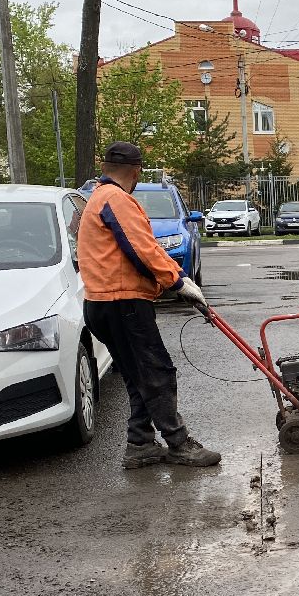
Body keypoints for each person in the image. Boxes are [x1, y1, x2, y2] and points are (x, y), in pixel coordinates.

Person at [78, 141, 221, 469]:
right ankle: (179, 443)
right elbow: (142, 248)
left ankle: (140, 443)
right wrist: (178, 281)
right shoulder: (116, 198)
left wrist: (172, 282)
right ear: (136, 171)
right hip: (122, 304)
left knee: (138, 376)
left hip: (103, 304)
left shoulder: (97, 198)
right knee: (157, 373)